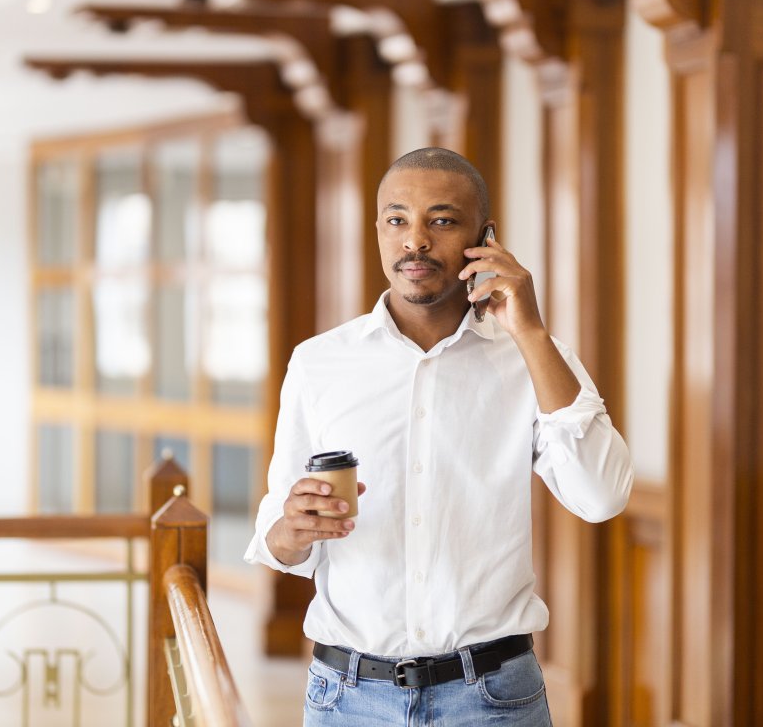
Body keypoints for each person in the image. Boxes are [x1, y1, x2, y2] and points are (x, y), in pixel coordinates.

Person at [244, 147, 633, 725]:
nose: (415, 241)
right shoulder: (319, 362)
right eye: (397, 219)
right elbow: (280, 536)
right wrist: (290, 531)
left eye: (442, 220)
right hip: (348, 699)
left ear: (487, 237)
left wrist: (528, 328)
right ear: (377, 231)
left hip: (493, 701)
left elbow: (600, 497)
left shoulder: (535, 359)